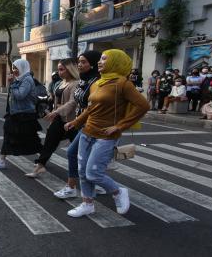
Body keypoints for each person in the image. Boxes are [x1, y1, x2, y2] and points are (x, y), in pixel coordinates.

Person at [64, 49, 150, 217]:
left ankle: (118, 192)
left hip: (106, 137)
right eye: (100, 59)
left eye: (104, 59)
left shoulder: (122, 84)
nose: (100, 62)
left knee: (93, 173)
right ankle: (87, 204)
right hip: (87, 132)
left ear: (115, 62)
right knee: (82, 171)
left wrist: (120, 126)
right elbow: (91, 108)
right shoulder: (98, 82)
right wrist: (76, 122)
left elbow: (143, 106)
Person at [53, 50, 108, 199]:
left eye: (84, 62)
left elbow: (93, 107)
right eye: (79, 62)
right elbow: (76, 102)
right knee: (83, 156)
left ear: (92, 64)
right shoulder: (84, 80)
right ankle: (94, 184)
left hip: (90, 124)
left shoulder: (96, 82)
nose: (80, 65)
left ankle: (74, 188)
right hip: (81, 123)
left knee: (74, 153)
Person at [25, 59, 80, 177]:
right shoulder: (61, 83)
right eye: (58, 69)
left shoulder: (76, 83)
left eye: (62, 69)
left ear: (70, 69)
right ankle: (40, 166)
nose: (59, 72)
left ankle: (91, 174)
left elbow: (72, 103)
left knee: (79, 150)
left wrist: (56, 112)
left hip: (72, 121)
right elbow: (57, 100)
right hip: (59, 119)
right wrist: (54, 112)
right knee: (50, 141)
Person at [0, 59, 43, 169]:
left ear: (22, 67)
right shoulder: (20, 79)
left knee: (31, 139)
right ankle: (1, 160)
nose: (14, 71)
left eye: (16, 68)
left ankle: (43, 158)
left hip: (25, 115)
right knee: (8, 135)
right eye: (13, 68)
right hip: (16, 114)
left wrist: (12, 84)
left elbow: (20, 95)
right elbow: (12, 96)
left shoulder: (27, 80)